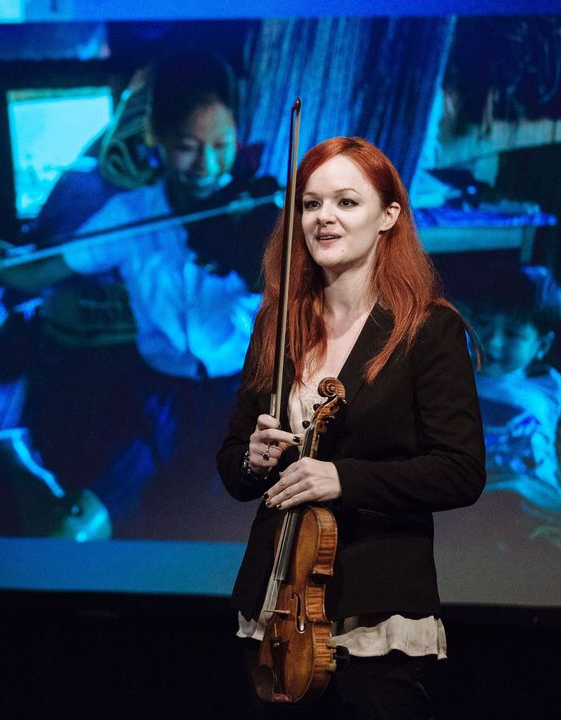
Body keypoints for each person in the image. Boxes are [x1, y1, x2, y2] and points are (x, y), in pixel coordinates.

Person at [0, 49, 279, 539]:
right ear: (156, 138)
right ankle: (15, 451)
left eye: (222, 144)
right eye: (187, 146)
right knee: (68, 529)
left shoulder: (262, 211)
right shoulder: (131, 213)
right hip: (155, 392)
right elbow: (35, 272)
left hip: (242, 396)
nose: (208, 166)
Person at [218, 136, 485, 718]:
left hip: (376, 603)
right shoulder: (276, 324)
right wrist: (252, 459)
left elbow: (461, 472)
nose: (324, 219)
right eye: (311, 205)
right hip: (277, 605)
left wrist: (342, 479)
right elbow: (234, 463)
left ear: (388, 215)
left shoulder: (426, 330)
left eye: (346, 202)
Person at [461, 264, 561, 554]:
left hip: (531, 488)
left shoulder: (549, 386)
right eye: (483, 323)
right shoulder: (452, 370)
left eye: (512, 333)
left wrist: (559, 486)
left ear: (542, 345)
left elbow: (545, 442)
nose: (492, 341)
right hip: (474, 488)